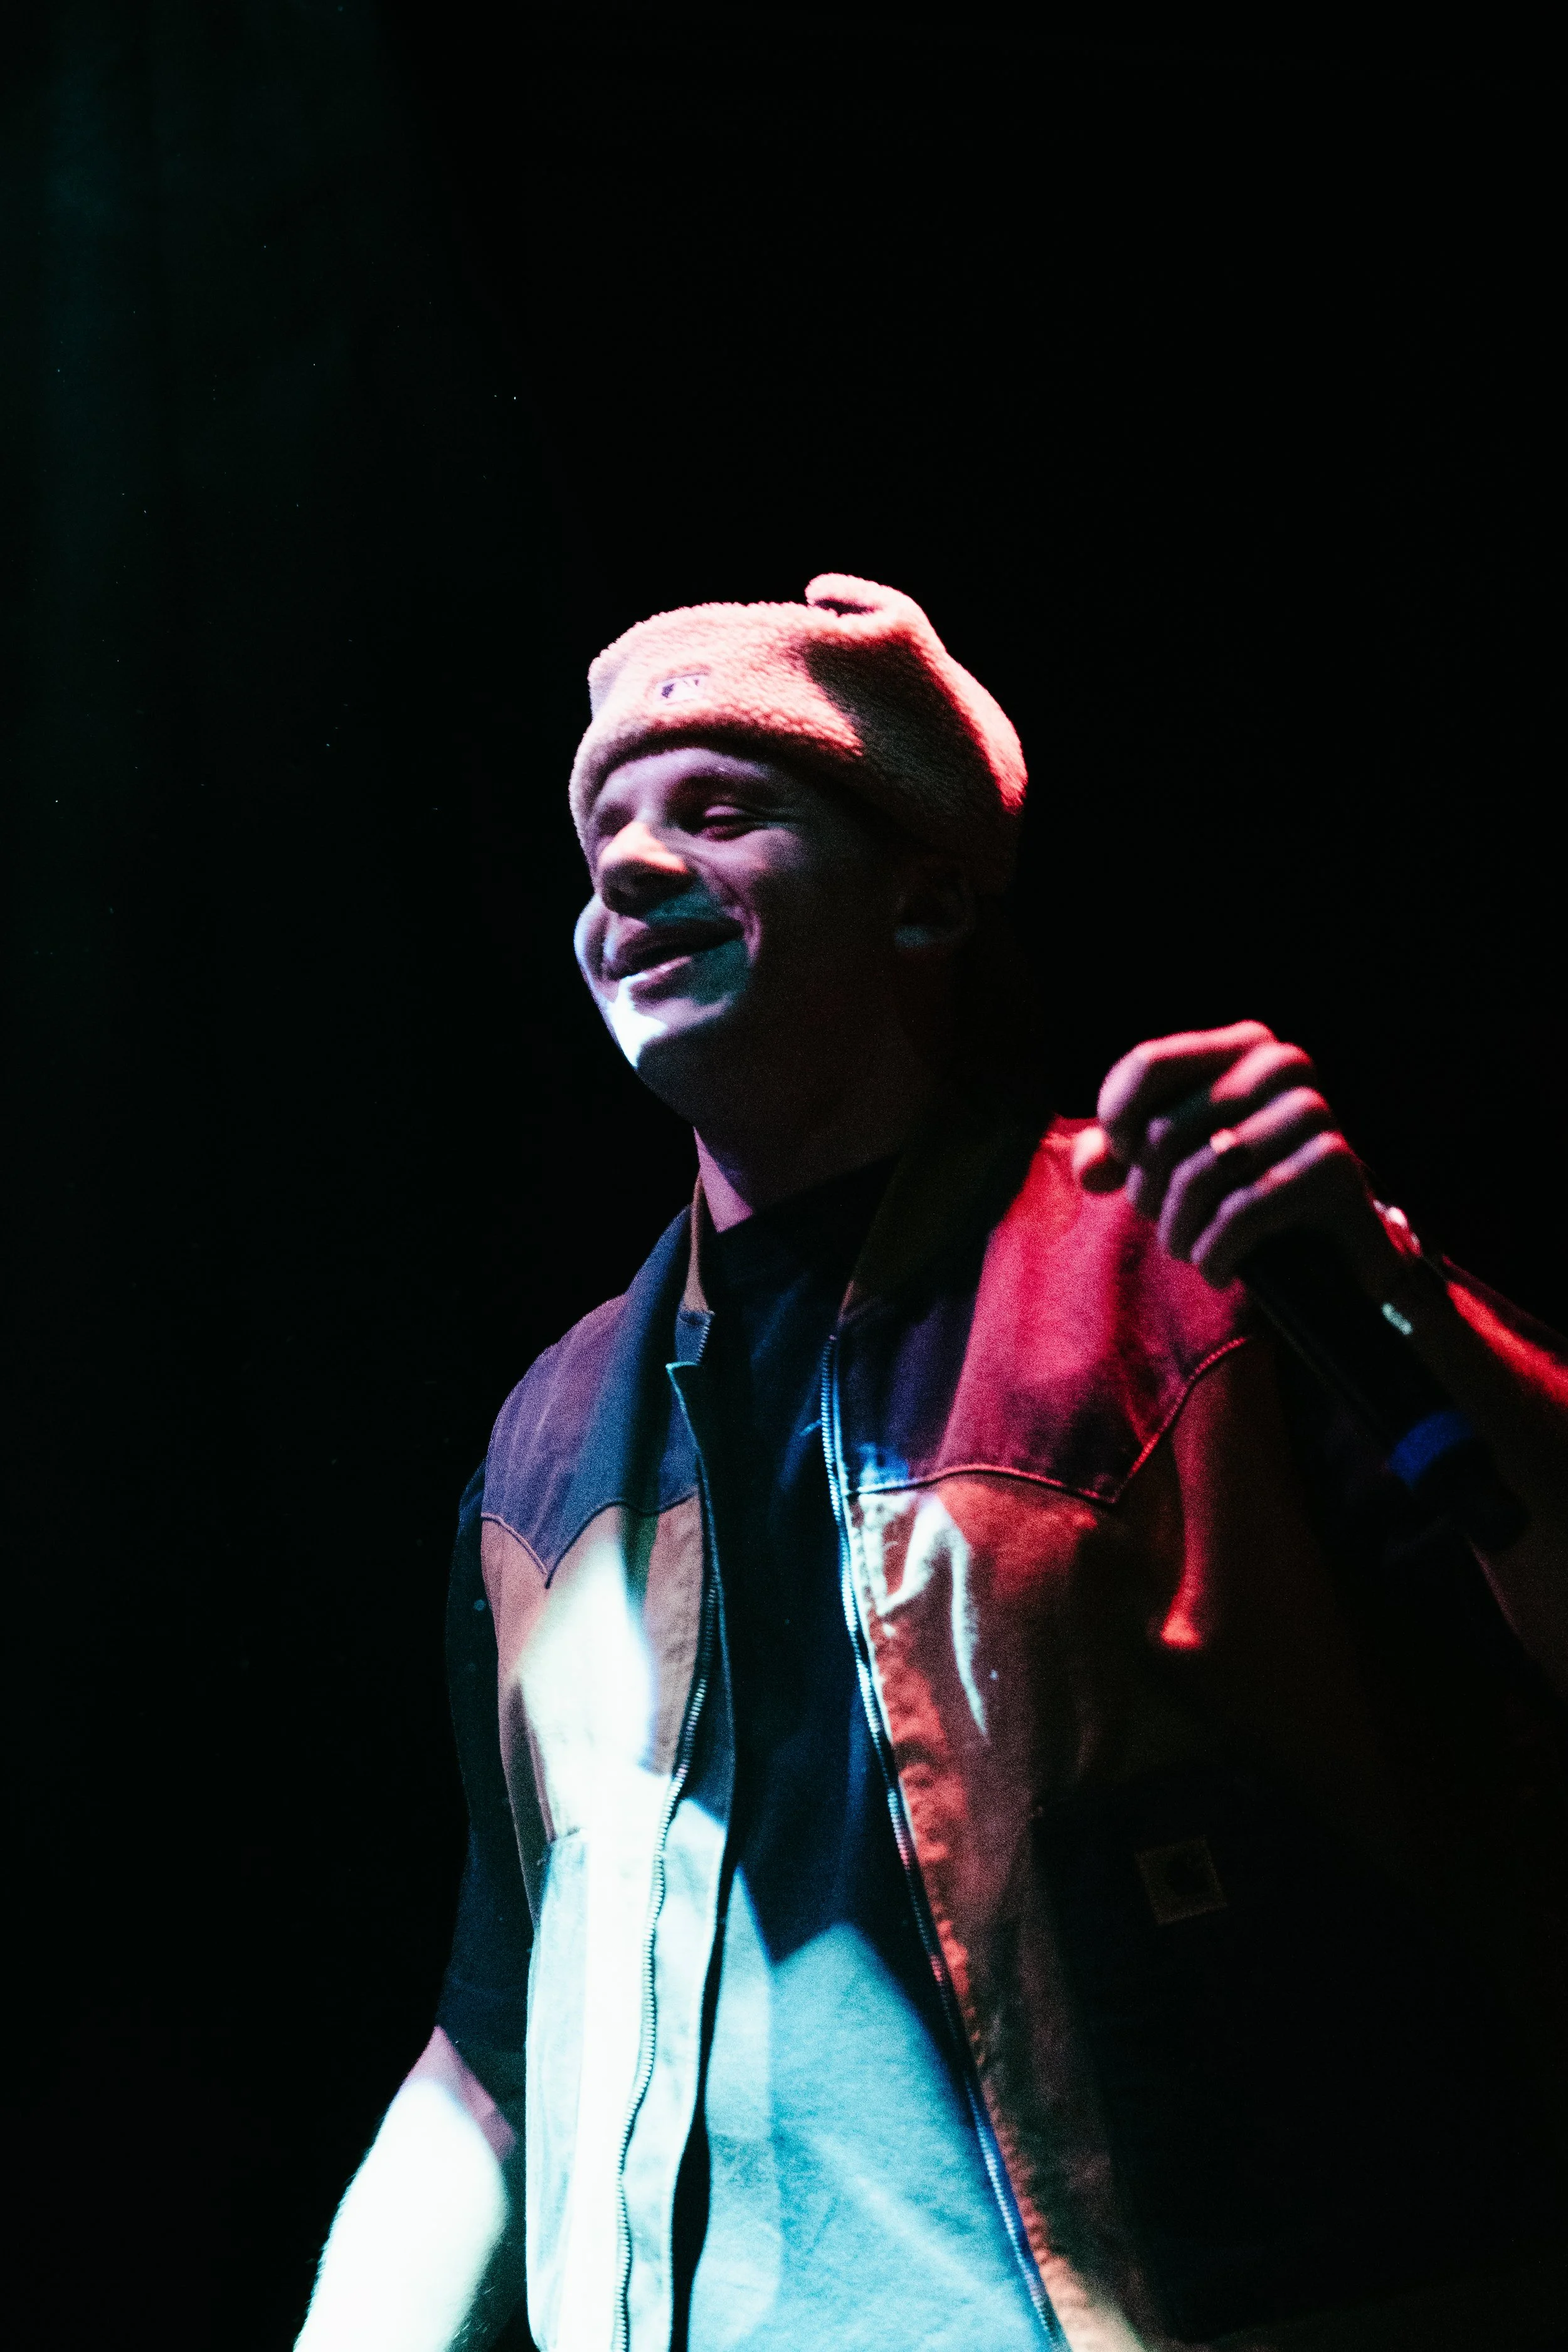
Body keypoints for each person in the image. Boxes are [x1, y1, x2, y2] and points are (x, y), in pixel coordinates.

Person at [295, 578, 1568, 2352]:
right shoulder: (548, 1436)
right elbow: (503, 2028)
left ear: (928, 895)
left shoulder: (1175, 1270)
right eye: (605, 834)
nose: (632, 874)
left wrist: (1402, 1302)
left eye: (718, 810)